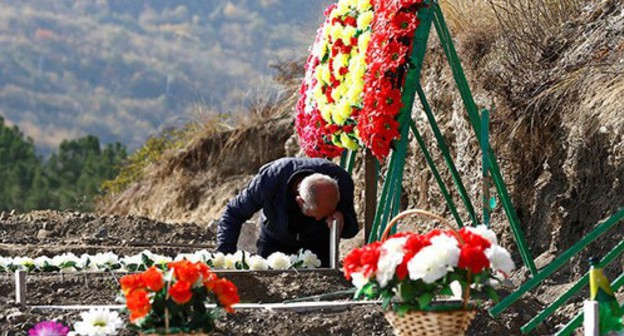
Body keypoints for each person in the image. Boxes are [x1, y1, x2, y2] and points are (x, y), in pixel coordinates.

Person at [215, 157, 359, 267]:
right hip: (275, 240)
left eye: (327, 214)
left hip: (318, 244)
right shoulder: (270, 181)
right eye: (318, 215)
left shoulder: (342, 181)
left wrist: (343, 220)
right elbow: (233, 213)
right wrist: (224, 256)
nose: (320, 219)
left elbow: (352, 229)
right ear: (300, 202)